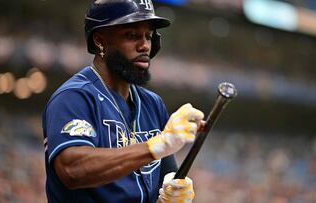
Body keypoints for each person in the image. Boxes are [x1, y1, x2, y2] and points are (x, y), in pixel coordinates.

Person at [42, 0, 204, 202]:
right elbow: (72, 170)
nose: (144, 45)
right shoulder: (73, 97)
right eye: (132, 35)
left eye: (149, 36)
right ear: (100, 41)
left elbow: (165, 173)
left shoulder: (152, 104)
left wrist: (172, 192)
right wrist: (155, 146)